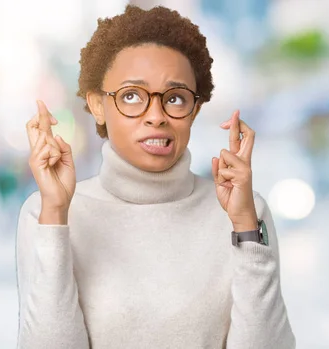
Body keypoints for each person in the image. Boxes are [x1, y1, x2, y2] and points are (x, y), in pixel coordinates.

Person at [16, 5, 295, 349]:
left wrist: (245, 228)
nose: (156, 116)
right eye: (132, 96)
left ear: (194, 109)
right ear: (98, 104)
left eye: (175, 98)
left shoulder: (245, 213)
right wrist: (55, 217)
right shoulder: (46, 213)